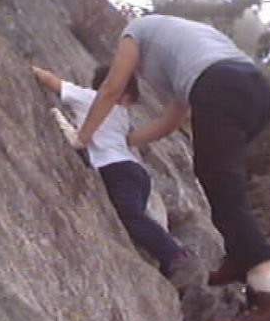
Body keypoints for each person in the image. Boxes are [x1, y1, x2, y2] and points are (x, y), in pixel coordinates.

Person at [75, 13, 270, 321]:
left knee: (226, 194)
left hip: (223, 87)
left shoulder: (134, 33)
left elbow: (110, 89)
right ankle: (238, 256)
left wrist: (83, 138)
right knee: (217, 182)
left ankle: (269, 307)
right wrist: (124, 140)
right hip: (257, 94)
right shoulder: (186, 49)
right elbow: (170, 122)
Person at [32, 63, 190, 278]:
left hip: (116, 170)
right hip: (133, 172)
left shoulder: (87, 98)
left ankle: (174, 254)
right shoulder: (112, 109)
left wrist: (32, 69)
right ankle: (165, 259)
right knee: (137, 221)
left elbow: (53, 82)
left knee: (130, 216)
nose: (128, 104)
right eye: (129, 98)